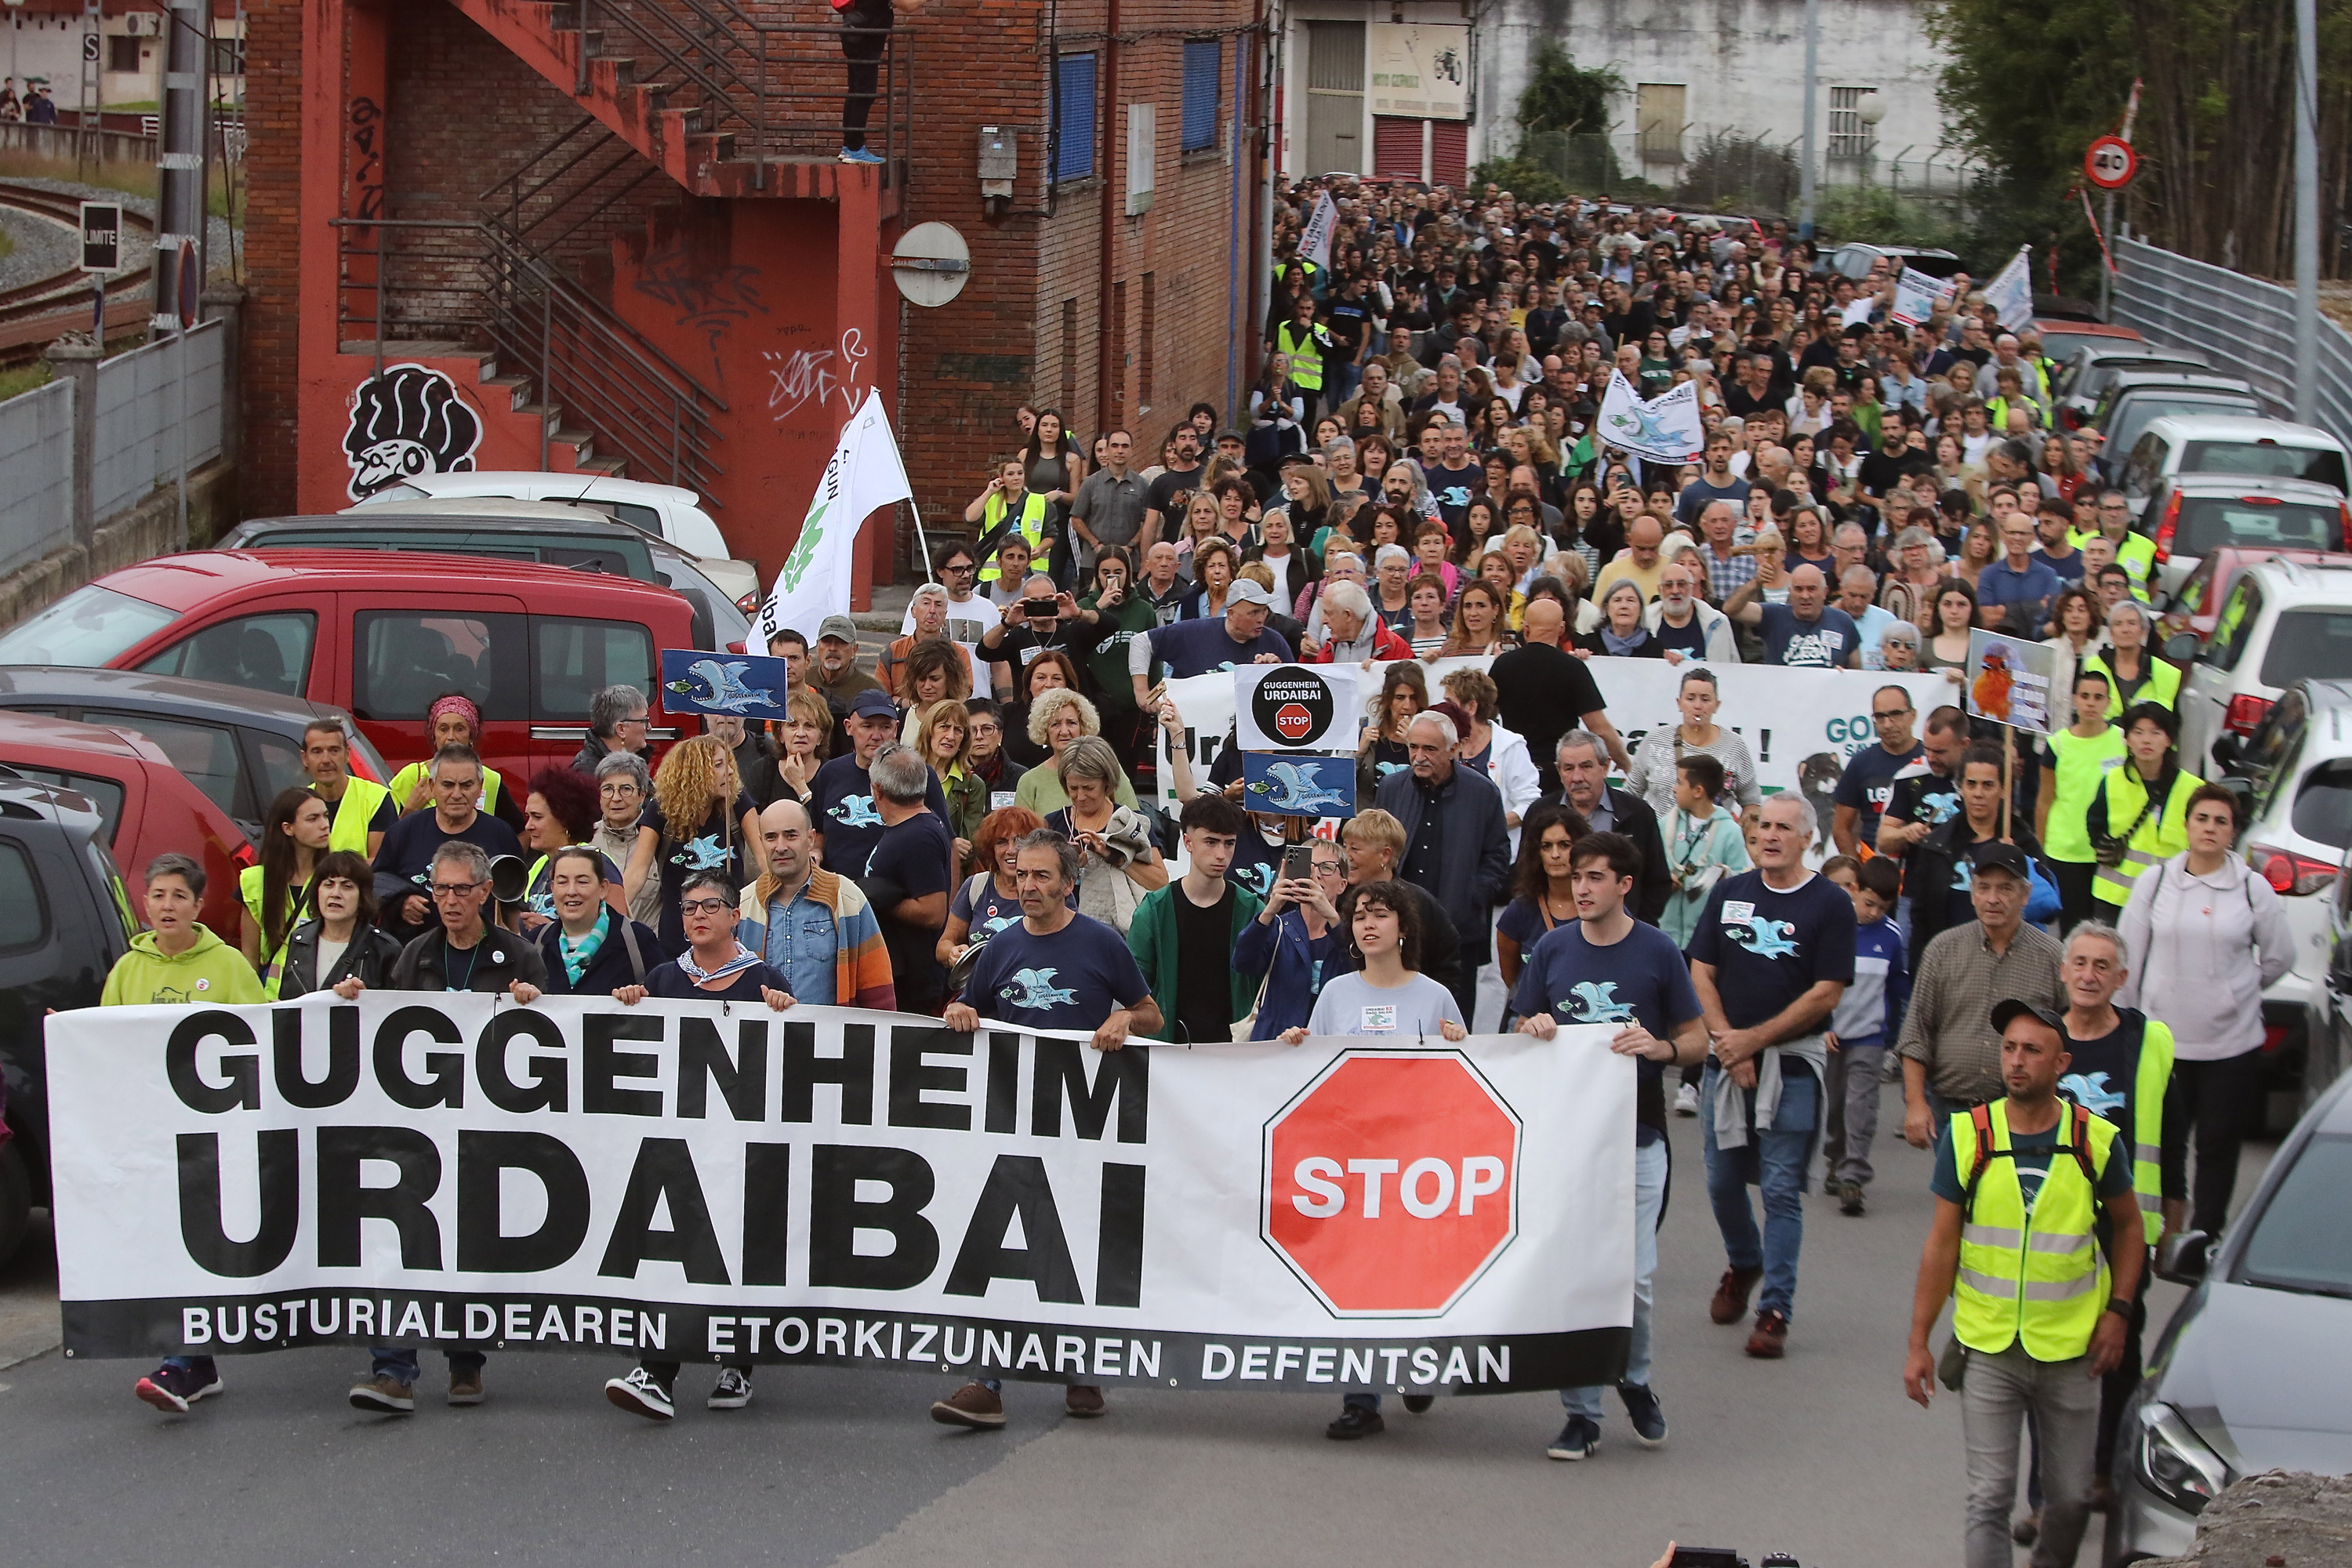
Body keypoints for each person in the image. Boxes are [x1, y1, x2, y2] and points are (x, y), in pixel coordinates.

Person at [932, 830, 1161, 1429]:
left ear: (1068, 882)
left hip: (1086, 1121)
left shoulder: (1101, 943)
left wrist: (1122, 1018)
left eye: (1041, 877)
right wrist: (959, 1011)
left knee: (1077, 1241)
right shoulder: (1000, 948)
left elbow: (1151, 1013)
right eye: (1019, 876)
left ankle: (1080, 1366)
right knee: (1000, 1243)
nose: (1028, 887)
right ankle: (985, 1381)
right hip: (1012, 1119)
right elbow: (970, 1010)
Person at [1902, 1000, 2143, 1568]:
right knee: (1988, 1497)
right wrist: (1918, 1342)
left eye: (2032, 1051)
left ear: (2061, 1064)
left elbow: (2130, 1228)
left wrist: (2120, 1312)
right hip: (1988, 1347)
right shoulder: (1968, 1136)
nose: (2017, 1061)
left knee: (2071, 1500)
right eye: (2009, 1048)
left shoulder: (2096, 1141)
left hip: (2071, 1349)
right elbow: (1941, 1245)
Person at [1515, 833, 1708, 1461]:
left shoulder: (1658, 950)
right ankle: (1581, 1414)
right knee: (1576, 1276)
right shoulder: (1551, 948)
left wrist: (1662, 1049)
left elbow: (1697, 1039)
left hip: (1639, 1137)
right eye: (1576, 876)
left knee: (1634, 1280)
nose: (1582, 887)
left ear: (1625, 885)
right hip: (1568, 1141)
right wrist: (1533, 1026)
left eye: (1596, 877)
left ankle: (1636, 1377)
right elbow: (1520, 1028)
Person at [342, 841, 545, 1415]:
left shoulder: (520, 956)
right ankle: (394, 1370)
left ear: (484, 892)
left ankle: (465, 1359)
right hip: (420, 1126)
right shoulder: (414, 957)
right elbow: (389, 1025)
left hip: (487, 1126)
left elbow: (552, 1043)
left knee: (468, 1240)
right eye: (439, 890)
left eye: (460, 890)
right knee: (403, 1236)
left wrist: (533, 1005)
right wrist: (354, 1004)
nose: (449, 901)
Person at [602, 869, 797, 1420]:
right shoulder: (664, 978)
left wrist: (785, 1014)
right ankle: (656, 1371)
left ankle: (737, 1362)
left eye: (711, 906)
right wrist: (628, 1005)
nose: (698, 917)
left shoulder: (762, 977)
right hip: (677, 1142)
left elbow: (794, 1059)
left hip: (740, 1143)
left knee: (736, 1250)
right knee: (673, 1252)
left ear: (735, 916)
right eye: (688, 909)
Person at [1283, 878, 1468, 1439]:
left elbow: (1466, 1082)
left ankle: (1415, 1364)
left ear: (1403, 928)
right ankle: (1361, 1398)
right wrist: (1296, 1045)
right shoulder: (1336, 994)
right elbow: (1313, 1074)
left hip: (1414, 1161)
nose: (1367, 924)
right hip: (1352, 1159)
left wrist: (1460, 1044)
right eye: (1359, 915)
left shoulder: (1434, 996)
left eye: (1380, 914)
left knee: (1412, 1269)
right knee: (1358, 1275)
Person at [1686, 793, 1854, 1359]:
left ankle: (1775, 1307)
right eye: (1762, 826)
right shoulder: (1731, 893)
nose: (1770, 836)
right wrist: (1728, 1042)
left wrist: (1755, 1041)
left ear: (1806, 837)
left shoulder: (1829, 903)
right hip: (1725, 1060)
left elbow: (1827, 991)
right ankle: (1745, 1261)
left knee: (1781, 1190)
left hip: (1792, 1066)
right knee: (1721, 1180)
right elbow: (1702, 970)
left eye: (1784, 827)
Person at [2044, 919, 2183, 1523]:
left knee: (2118, 1352)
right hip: (2053, 1223)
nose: (2090, 975)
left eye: (2103, 966)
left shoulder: (2149, 1042)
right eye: (2080, 963)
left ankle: (2104, 1471)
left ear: (2122, 978)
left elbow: (2173, 1138)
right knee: (2052, 1355)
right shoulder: (2042, 1040)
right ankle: (2050, 1493)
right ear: (2063, 971)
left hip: (2128, 1225)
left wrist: (2173, 1221)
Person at [118, 854, 267, 1413]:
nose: (167, 906)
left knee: (199, 1244)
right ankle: (192, 1364)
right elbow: (108, 1043)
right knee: (165, 1246)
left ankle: (182, 1363)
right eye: (157, 895)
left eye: (179, 896)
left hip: (213, 1138)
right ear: (146, 904)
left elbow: (261, 1040)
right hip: (153, 1137)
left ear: (199, 905)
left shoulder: (227, 966)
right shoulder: (128, 970)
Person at [2116, 785, 2292, 1237]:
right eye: (2202, 819)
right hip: (2163, 1043)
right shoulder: (2155, 883)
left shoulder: (2253, 889)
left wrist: (2237, 992)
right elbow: (2128, 959)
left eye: (2221, 822)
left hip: (2230, 1047)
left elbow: (2278, 957)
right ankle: (2157, 1230)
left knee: (2217, 1145)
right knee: (2162, 1144)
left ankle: (2205, 1236)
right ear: (2187, 826)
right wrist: (2127, 1026)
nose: (2210, 828)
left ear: (2233, 833)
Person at [1898, 840, 2066, 1144]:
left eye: (2005, 889)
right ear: (1972, 892)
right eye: (1983, 887)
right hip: (1952, 1113)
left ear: (2025, 895)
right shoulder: (1942, 950)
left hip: (2025, 1115)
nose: (1993, 899)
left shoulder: (2053, 957)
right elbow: (1915, 1035)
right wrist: (1915, 1105)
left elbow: (2071, 1036)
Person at [1374, 710, 1512, 1028]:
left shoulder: (1482, 792)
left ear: (1453, 749)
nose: (1419, 757)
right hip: (1398, 930)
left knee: (1452, 1025)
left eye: (1430, 749)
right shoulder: (1392, 788)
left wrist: (1472, 895)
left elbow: (1498, 854)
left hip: (1458, 933)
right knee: (1396, 1021)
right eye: (1413, 748)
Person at [1126, 793, 1261, 1042]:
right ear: (1188, 842)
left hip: (1235, 1051)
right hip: (1171, 1051)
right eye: (1211, 842)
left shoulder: (1252, 909)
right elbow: (1135, 989)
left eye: (1229, 843)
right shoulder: (1154, 910)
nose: (1221, 854)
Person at [1820, 855, 1907, 1215]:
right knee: (1835, 1105)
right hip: (1833, 1036)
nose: (1874, 913)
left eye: (1883, 908)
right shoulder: (1833, 930)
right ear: (1854, 890)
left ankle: (1854, 1176)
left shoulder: (1891, 937)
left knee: (1861, 1108)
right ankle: (1835, 1158)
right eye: (1869, 903)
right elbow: (1816, 984)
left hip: (1870, 1038)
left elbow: (1898, 989)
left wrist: (1895, 1036)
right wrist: (1822, 1026)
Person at [626, 733, 764, 956]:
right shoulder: (660, 810)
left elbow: (764, 859)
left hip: (730, 930)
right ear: (695, 772)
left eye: (729, 764)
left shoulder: (737, 803)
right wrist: (606, 917)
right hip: (678, 931)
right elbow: (636, 873)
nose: (730, 771)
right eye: (719, 765)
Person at [375, 745, 525, 946]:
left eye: (466, 785)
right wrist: (400, 903)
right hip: (415, 958)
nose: (457, 794)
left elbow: (514, 905)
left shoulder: (501, 835)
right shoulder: (403, 832)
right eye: (447, 785)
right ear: (431, 786)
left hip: (483, 956)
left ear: (480, 787)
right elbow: (376, 882)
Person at [1487, 597, 1634, 789]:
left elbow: (1485, 716)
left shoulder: (1503, 665)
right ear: (1562, 629)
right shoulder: (1573, 668)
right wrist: (1627, 766)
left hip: (1514, 769)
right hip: (1558, 773)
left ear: (1526, 628)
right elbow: (1599, 728)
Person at [855, 742, 955, 1013]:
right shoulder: (911, 827)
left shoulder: (918, 835)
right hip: (898, 973)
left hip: (913, 984)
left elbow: (934, 912)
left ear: (877, 789)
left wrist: (873, 898)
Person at [811, 688, 953, 878]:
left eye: (885, 727)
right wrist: (816, 852)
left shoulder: (918, 773)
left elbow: (947, 841)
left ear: (896, 729)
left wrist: (951, 904)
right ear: (848, 727)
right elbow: (818, 830)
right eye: (867, 726)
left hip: (899, 899)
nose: (876, 736)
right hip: (838, 895)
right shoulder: (830, 773)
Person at [2084, 702, 2201, 915]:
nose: (2146, 740)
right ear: (2127, 739)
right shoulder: (2113, 781)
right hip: (2115, 898)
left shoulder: (2192, 788)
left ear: (2169, 740)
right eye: (2138, 732)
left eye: (2155, 733)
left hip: (2171, 896)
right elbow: (2094, 823)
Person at [1546, 730, 1671, 926]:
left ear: (1606, 767)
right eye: (1569, 768)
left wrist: (1635, 925)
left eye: (1586, 766)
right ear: (1558, 770)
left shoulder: (1638, 814)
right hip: (1553, 930)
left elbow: (1657, 881)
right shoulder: (1542, 813)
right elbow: (1526, 877)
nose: (1577, 777)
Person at [1232, 833, 1349, 1040]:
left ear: (1343, 884)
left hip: (1331, 1045)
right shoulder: (1278, 927)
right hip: (1276, 1045)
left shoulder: (1349, 932)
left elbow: (1359, 966)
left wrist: (1331, 916)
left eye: (1327, 868)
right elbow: (1243, 963)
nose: (1316, 875)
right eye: (1308, 866)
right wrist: (1270, 909)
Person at [1046, 735, 1166, 934]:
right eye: (1073, 788)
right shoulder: (1052, 823)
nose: (1080, 797)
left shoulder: (1127, 823)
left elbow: (1160, 881)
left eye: (1089, 788)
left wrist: (1114, 857)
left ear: (1107, 783)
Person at [2035, 671, 2127, 931]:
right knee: (2074, 930)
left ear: (2108, 702)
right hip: (2067, 851)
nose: (2091, 703)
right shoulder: (2058, 745)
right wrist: (2041, 849)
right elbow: (2044, 801)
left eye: (2098, 697)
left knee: (2108, 929)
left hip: (2108, 850)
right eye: (2085, 696)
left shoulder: (2122, 740)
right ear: (2075, 699)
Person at [1621, 666, 1762, 822]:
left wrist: (1735, 836)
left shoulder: (1734, 746)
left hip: (1713, 840)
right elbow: (1630, 796)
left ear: (1717, 705)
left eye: (1705, 699)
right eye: (1691, 698)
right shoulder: (1655, 740)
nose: (1698, 706)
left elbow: (1752, 803)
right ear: (1679, 703)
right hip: (1659, 840)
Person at [531, 844, 661, 996]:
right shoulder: (535, 943)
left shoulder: (638, 940)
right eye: (562, 882)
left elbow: (665, 999)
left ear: (603, 888)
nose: (571, 891)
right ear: (552, 888)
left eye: (582, 882)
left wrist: (640, 996)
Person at [1494, 801, 1591, 1000]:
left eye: (1565, 845)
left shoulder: (1600, 904)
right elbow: (1511, 978)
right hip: (1531, 1019)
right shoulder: (1520, 910)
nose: (1555, 855)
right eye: (1546, 846)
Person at [277, 851, 405, 998]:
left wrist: (365, 999)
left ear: (362, 896)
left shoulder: (385, 949)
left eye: (347, 886)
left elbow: (394, 1011)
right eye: (328, 884)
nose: (335, 894)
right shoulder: (300, 938)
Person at [516, 764, 627, 935]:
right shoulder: (539, 866)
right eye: (528, 816)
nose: (528, 826)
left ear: (566, 819)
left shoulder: (597, 863)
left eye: (537, 817)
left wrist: (553, 931)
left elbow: (621, 932)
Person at [241, 787, 332, 995]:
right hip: (271, 997)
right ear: (288, 828)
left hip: (323, 994)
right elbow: (250, 959)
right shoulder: (255, 880)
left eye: (326, 816)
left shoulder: (336, 878)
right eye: (313, 819)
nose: (324, 825)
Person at [938, 804, 1047, 978]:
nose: (1011, 850)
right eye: (1001, 842)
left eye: (1019, 841)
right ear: (991, 848)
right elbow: (943, 945)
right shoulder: (976, 886)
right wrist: (953, 953)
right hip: (979, 996)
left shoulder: (1049, 888)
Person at [1658, 753, 1751, 954]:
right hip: (1662, 936)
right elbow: (1649, 868)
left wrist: (1724, 876)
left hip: (1705, 942)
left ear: (1698, 790)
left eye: (1679, 783)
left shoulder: (1730, 831)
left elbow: (1742, 883)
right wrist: (1663, 880)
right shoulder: (1665, 825)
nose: (1674, 789)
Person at [1831, 686, 1924, 858]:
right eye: (1880, 717)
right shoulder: (1861, 763)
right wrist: (1858, 872)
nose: (1887, 724)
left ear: (1913, 715)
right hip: (1875, 869)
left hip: (1923, 865)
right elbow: (1840, 829)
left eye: (1896, 714)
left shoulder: (1930, 760)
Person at [1724, 562, 1861, 667]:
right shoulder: (1774, 615)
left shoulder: (1843, 621)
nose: (1805, 596)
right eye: (1799, 589)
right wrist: (1756, 583)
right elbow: (1731, 609)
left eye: (1812, 589)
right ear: (1790, 591)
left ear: (1824, 592)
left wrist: (1844, 678)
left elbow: (1857, 671)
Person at [588, 751, 664, 928]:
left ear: (642, 794)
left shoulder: (662, 839)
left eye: (626, 789)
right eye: (607, 789)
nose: (616, 798)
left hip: (650, 948)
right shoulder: (585, 840)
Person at [301, 718, 391, 858]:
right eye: (317, 752)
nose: (326, 760)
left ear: (347, 754)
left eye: (334, 750)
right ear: (305, 758)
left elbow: (380, 864)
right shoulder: (299, 804)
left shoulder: (376, 798)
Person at [833, 0, 909, 164]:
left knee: (856, 92)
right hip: (866, 39)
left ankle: (849, 147)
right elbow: (908, 5)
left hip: (857, 34)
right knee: (864, 93)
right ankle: (854, 149)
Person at [2078, 601, 2176, 717]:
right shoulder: (2092, 665)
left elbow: (2173, 724)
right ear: (2111, 633)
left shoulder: (2166, 673)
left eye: (2132, 623)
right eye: (2118, 624)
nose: (2125, 630)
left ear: (2144, 631)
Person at [1645, 558, 1740, 664]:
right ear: (1660, 590)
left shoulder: (1718, 622)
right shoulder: (1643, 622)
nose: (1675, 591)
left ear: (1691, 588)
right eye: (1668, 585)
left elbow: (1733, 667)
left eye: (1681, 584)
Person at [570, 684, 650, 777]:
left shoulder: (634, 764)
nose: (649, 727)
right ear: (621, 729)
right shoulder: (587, 776)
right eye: (645, 721)